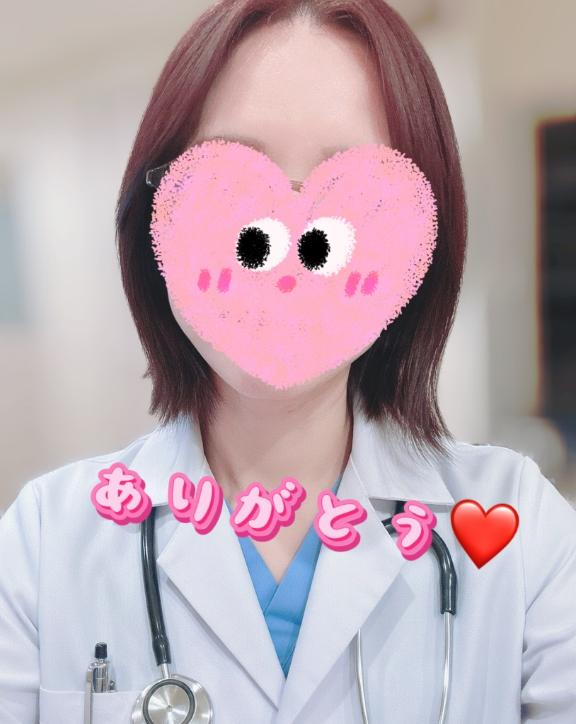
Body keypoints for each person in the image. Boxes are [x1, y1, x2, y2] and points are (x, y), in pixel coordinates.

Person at [1, 1, 575, 722]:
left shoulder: (520, 529)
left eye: (348, 196)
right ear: (156, 220)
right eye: (231, 186)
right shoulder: (46, 540)